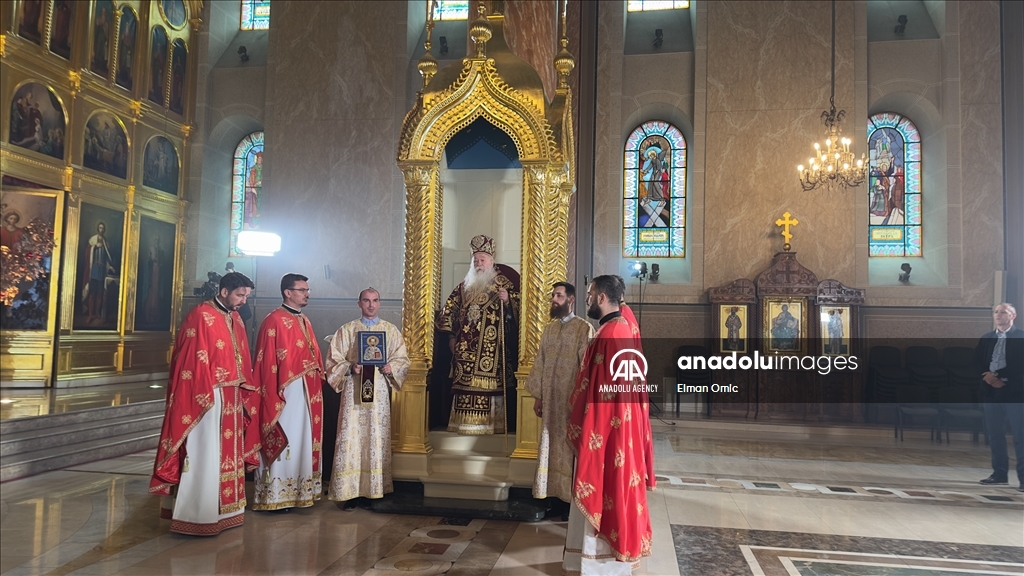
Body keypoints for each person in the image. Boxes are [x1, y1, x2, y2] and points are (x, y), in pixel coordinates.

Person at [150, 272, 260, 536]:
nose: (244, 300)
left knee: (227, 454)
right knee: (206, 453)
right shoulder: (201, 316)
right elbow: (189, 362)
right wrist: (204, 394)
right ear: (224, 291)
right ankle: (199, 514)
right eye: (240, 295)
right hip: (206, 398)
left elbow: (242, 358)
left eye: (246, 295)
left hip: (232, 396)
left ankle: (228, 512)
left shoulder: (235, 318)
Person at [564, 275, 655, 575]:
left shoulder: (607, 335)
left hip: (606, 430)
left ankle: (599, 565)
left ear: (602, 298)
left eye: (590, 294)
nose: (587, 299)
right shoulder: (625, 326)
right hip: (624, 427)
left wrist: (586, 426)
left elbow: (597, 392)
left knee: (606, 487)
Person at [326, 288, 410, 508]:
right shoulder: (347, 330)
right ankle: (349, 491)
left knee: (376, 435)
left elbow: (403, 359)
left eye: (375, 301)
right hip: (354, 390)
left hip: (379, 393)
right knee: (351, 434)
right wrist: (349, 367)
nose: (371, 305)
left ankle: (374, 489)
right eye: (366, 300)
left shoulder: (390, 331)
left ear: (380, 303)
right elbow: (333, 361)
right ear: (359, 303)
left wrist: (391, 367)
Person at [252, 273, 326, 512]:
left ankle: (299, 493)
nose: (307, 294)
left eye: (307, 290)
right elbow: (265, 363)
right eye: (302, 290)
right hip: (283, 394)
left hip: (306, 392)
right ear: (288, 292)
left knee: (303, 438)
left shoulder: (304, 320)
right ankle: (275, 497)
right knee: (287, 439)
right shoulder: (273, 320)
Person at [437, 234, 520, 435]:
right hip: (465, 349)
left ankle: (491, 424)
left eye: (482, 260)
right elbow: (448, 310)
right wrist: (450, 337)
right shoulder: (465, 285)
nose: (478, 264)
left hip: (491, 350)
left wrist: (508, 300)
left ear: (491, 261)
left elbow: (520, 307)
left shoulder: (502, 283)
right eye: (475, 260)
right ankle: (463, 424)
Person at [526, 282, 594, 519]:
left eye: (559, 295)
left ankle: (568, 500)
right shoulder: (549, 330)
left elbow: (586, 369)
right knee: (549, 445)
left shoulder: (583, 329)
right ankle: (550, 496)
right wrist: (538, 396)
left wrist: (580, 401)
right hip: (550, 401)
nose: (554, 299)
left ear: (571, 299)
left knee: (567, 448)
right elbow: (540, 362)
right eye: (553, 295)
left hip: (569, 403)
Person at [975, 303, 1024, 492]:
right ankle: (999, 474)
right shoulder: (987, 337)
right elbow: (977, 361)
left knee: (1020, 436)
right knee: (995, 435)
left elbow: (1020, 363)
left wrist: (999, 375)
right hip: (992, 391)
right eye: (996, 312)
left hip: (1014, 391)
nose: (998, 315)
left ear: (1013, 316)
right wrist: (988, 376)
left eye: (1002, 312)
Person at [81, 221, 116, 323]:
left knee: (100, 293)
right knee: (92, 293)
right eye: (100, 228)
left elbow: (107, 258)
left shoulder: (106, 242)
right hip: (94, 270)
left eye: (103, 228)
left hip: (101, 271)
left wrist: (110, 267)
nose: (101, 230)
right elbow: (88, 252)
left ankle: (97, 313)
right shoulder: (92, 239)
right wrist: (95, 247)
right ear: (98, 229)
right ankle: (90, 314)